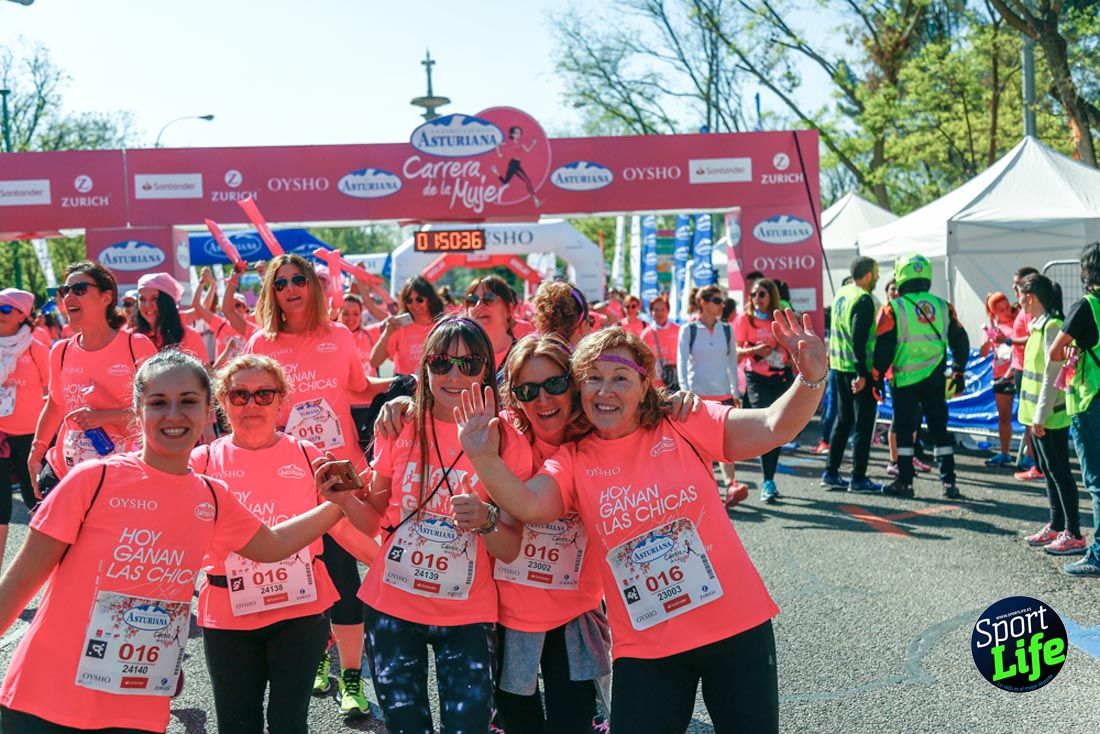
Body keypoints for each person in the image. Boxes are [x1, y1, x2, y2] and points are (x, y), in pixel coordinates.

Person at [456, 313, 828, 734]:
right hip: (648, 647)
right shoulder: (575, 459)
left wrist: (810, 379)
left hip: (734, 628)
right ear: (580, 387)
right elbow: (528, 504)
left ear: (645, 381)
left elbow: (771, 425)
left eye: (620, 377)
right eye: (593, 378)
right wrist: (482, 458)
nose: (606, 390)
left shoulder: (681, 421)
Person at [0, 350, 354, 734]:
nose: (173, 414)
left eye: (188, 402)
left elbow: (271, 545)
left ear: (207, 413)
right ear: (138, 412)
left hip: (136, 705)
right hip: (45, 699)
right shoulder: (92, 480)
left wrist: (336, 505)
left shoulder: (212, 496)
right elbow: (18, 585)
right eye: (158, 403)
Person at [337, 317, 534, 734]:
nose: (454, 374)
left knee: (469, 727)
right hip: (392, 604)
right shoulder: (400, 424)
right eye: (441, 362)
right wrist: (342, 498)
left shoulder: (508, 438)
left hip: (468, 612)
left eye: (469, 363)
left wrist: (486, 520)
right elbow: (373, 518)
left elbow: (511, 547)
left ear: (487, 368)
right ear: (424, 366)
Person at [193, 354, 374, 733]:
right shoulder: (202, 462)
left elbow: (345, 532)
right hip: (228, 615)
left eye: (263, 394)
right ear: (222, 402)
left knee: (289, 723)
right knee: (236, 724)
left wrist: (396, 576)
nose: (251, 404)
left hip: (299, 612)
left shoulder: (309, 456)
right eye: (239, 395)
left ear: (281, 400)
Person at [244, 253, 387, 717]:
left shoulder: (339, 336)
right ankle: (317, 656)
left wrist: (415, 382)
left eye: (298, 279)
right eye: (280, 281)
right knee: (302, 576)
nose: (290, 287)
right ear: (272, 291)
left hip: (342, 478)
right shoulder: (260, 342)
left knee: (344, 579)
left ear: (313, 286)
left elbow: (360, 387)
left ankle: (351, 678)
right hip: (285, 479)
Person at [28, 262, 158, 499]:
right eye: (64, 291)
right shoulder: (61, 351)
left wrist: (105, 417)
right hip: (65, 470)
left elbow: (159, 410)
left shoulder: (135, 346)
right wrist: (36, 453)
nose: (68, 296)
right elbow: (55, 405)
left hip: (123, 471)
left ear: (106, 297)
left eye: (79, 289)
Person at [873, 254, 969, 498]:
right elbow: (961, 340)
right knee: (939, 430)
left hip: (904, 381)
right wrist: (959, 370)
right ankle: (949, 483)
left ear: (901, 276)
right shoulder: (942, 305)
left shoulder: (892, 309)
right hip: (936, 378)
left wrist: (877, 377)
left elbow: (882, 348)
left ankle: (904, 482)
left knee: (905, 431)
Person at [1014, 275, 1085, 556]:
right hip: (1038, 416)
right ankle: (1056, 526)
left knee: (1060, 473)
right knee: (1048, 471)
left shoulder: (1052, 327)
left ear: (1030, 297)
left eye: (1019, 294)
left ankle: (1074, 532)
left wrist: (1040, 416)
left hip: (1050, 417)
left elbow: (1050, 377)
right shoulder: (1038, 327)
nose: (1017, 301)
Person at [1051, 242, 1100, 575]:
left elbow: (1056, 351)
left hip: (1089, 398)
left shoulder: (1087, 306)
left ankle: (1097, 555)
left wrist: (1076, 348)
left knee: (1096, 481)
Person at [678, 284, 747, 505]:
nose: (722, 306)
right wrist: (686, 392)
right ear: (703, 304)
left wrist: (736, 393)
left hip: (723, 394)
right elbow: (681, 363)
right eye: (717, 301)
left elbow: (731, 363)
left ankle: (731, 486)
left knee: (724, 444)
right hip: (698, 397)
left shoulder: (726, 329)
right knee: (700, 448)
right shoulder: (688, 330)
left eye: (723, 302)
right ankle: (706, 490)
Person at [821, 257, 882, 493]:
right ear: (867, 275)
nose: (877, 278)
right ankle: (858, 478)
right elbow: (858, 338)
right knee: (863, 425)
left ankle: (831, 472)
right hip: (856, 371)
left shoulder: (843, 292)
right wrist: (862, 373)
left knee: (843, 421)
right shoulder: (863, 299)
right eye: (875, 273)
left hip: (838, 366)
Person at [734, 279, 794, 503]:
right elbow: (737, 351)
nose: (756, 299)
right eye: (753, 295)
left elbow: (791, 348)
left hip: (779, 377)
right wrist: (754, 349)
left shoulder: (779, 319)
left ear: (771, 296)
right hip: (756, 377)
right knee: (768, 425)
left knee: (777, 426)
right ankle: (768, 481)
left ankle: (769, 478)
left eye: (761, 294)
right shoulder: (745, 319)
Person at [0, 289, 49, 553]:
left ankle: (33, 567)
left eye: (5, 309)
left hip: (30, 437)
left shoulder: (36, 348)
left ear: (22, 314)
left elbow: (53, 390)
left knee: (35, 502)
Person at [370, 276, 444, 375]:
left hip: (433, 387)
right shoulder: (400, 326)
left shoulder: (441, 326)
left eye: (419, 299)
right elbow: (374, 362)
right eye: (409, 300)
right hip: (406, 387)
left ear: (430, 300)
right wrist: (386, 334)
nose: (414, 304)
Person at [1011, 266, 1044, 481]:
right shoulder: (1023, 310)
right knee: (1027, 418)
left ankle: (1038, 462)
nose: (1014, 288)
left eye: (1018, 283)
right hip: (1019, 368)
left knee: (1035, 419)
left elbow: (1032, 336)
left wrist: (1006, 340)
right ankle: (1035, 460)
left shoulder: (1034, 312)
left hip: (1029, 371)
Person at [134, 272, 210, 366]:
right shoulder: (132, 337)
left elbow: (205, 376)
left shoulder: (189, 336)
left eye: (154, 298)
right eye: (142, 299)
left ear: (168, 302)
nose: (147, 305)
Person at [979, 291, 1019, 467]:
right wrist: (989, 339)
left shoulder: (1018, 318)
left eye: (1007, 306)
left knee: (1028, 417)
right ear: (994, 312)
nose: (1006, 311)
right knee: (1004, 416)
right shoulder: (993, 326)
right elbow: (983, 352)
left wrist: (1007, 339)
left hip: (1019, 371)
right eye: (1001, 309)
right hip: (1001, 375)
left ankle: (1031, 457)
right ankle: (1004, 453)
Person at [465, 275, 519, 368]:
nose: (479, 305)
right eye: (473, 299)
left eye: (489, 298)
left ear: (509, 309)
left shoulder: (525, 357)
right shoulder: (457, 356)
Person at [641, 295, 679, 390]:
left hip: (676, 382)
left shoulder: (679, 330)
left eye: (663, 309)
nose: (659, 313)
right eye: (656, 310)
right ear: (651, 312)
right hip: (655, 385)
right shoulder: (646, 334)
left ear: (668, 311)